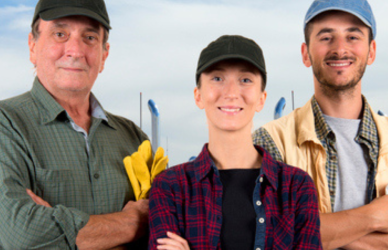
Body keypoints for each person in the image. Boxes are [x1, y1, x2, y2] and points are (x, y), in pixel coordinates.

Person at [0, 0, 150, 249]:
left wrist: (59, 229)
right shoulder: (6, 123)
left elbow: (166, 228)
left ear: (104, 54)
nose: (75, 50)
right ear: (32, 46)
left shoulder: (133, 137)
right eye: (60, 34)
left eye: (90, 37)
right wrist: (133, 222)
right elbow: (21, 235)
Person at [148, 35, 322, 250]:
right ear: (198, 95)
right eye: (217, 78)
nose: (231, 93)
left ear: (261, 99)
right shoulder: (170, 188)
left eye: (245, 80)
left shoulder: (296, 188)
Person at [252, 0, 388, 249]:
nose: (340, 49)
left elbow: (287, 232)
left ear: (371, 51)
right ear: (306, 53)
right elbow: (264, 233)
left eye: (353, 36)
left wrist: (306, 229)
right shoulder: (269, 143)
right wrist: (374, 217)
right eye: (326, 37)